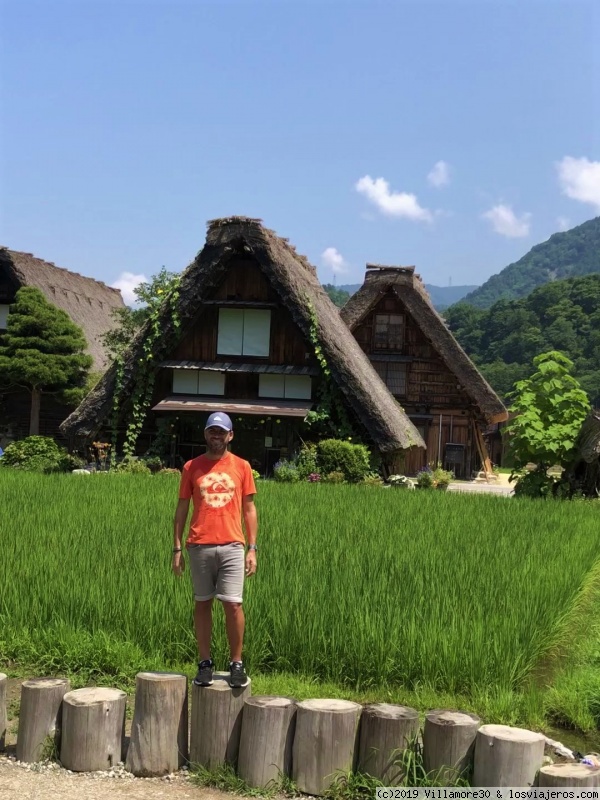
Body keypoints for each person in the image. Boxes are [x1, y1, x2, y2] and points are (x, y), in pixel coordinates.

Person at [172, 412, 258, 688]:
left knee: (233, 604)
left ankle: (236, 663)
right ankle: (205, 663)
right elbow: (182, 508)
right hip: (199, 544)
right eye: (212, 431)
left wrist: (252, 548)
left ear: (230, 435)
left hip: (233, 544)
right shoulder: (191, 467)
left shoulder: (242, 467)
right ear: (206, 434)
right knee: (202, 602)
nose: (216, 436)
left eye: (222, 432)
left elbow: (249, 508)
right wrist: (176, 548)